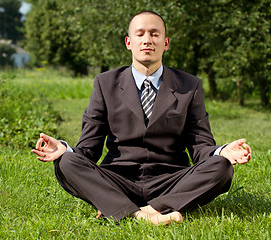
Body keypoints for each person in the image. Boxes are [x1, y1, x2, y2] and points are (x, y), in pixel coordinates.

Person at [31, 11, 252, 225]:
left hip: (171, 180)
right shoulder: (105, 83)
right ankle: (143, 215)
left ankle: (138, 208)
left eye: (155, 34)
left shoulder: (189, 85)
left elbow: (200, 147)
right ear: (129, 42)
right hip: (118, 179)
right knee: (66, 163)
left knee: (222, 167)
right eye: (140, 34)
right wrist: (65, 150)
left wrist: (220, 152)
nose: (147, 40)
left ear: (165, 43)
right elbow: (89, 148)